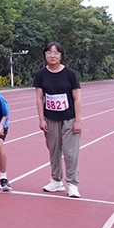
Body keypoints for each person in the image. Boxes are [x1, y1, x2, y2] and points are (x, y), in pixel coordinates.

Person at [34, 42, 83, 198]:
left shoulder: (70, 74)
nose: (52, 56)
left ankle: (72, 184)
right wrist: (41, 119)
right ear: (45, 55)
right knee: (54, 150)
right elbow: (39, 98)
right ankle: (56, 181)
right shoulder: (40, 74)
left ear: (61, 56)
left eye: (56, 53)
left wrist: (78, 120)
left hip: (69, 118)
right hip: (50, 119)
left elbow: (77, 98)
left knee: (70, 152)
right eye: (49, 52)